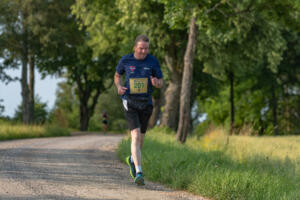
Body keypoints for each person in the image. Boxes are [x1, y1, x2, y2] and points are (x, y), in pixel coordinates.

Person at [114, 34, 163, 186]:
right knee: (135, 135)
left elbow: (161, 82)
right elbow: (117, 75)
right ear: (135, 47)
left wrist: (156, 83)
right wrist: (119, 87)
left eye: (146, 49)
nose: (143, 51)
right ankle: (139, 172)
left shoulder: (153, 61)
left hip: (146, 103)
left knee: (141, 139)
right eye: (141, 48)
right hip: (130, 101)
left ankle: (132, 159)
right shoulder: (126, 60)